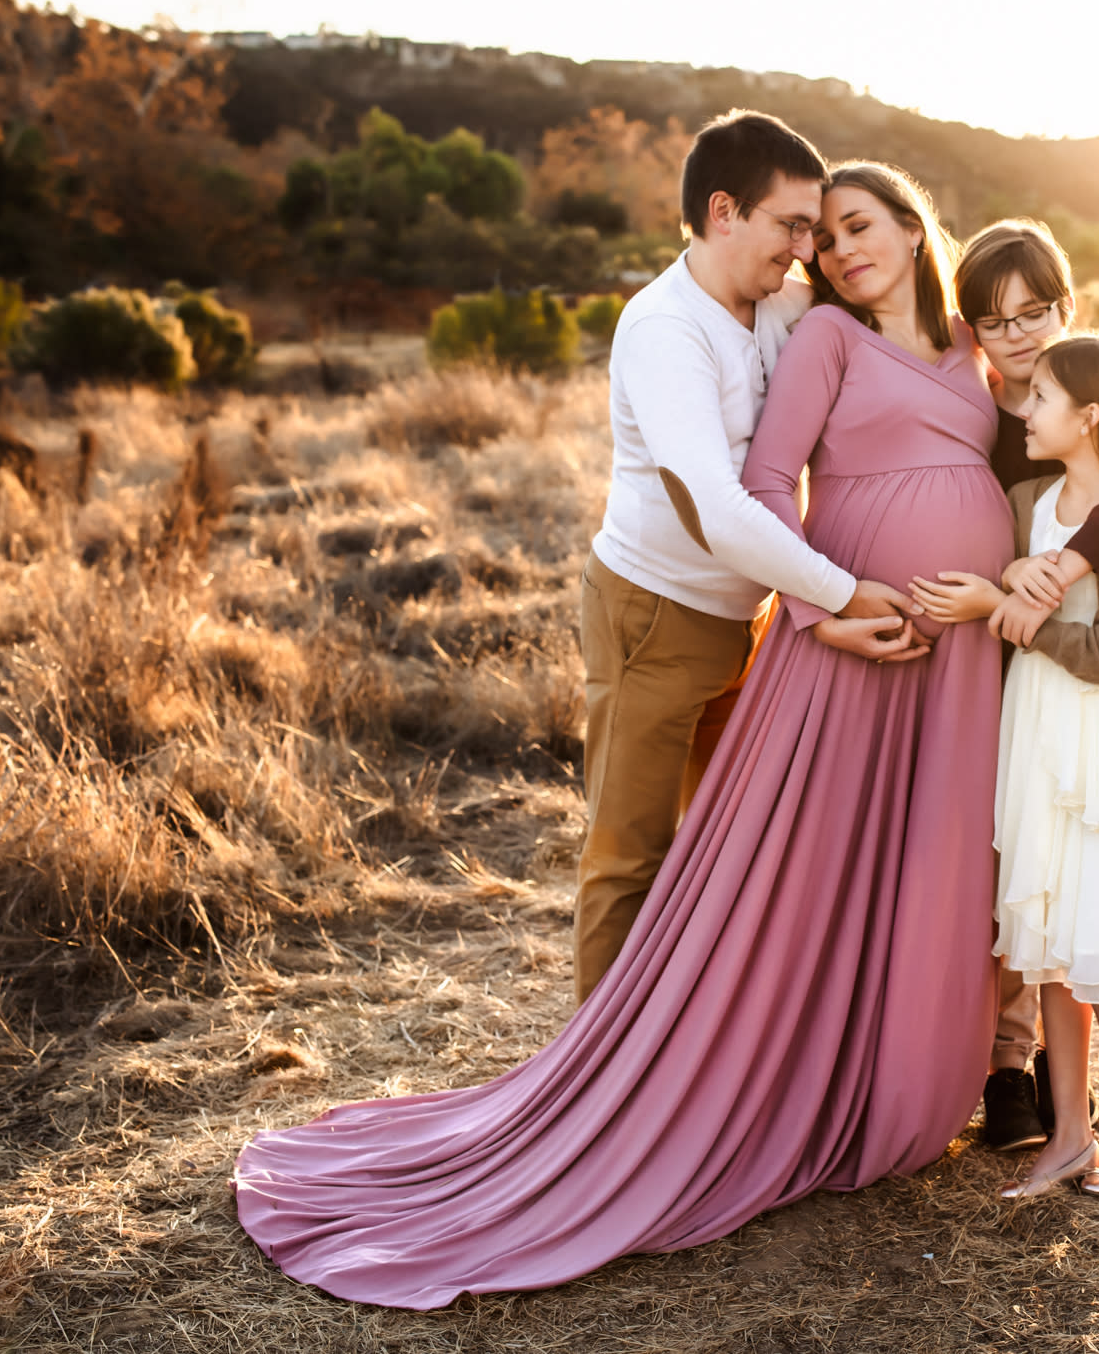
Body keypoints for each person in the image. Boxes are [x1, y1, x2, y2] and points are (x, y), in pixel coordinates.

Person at [232, 158, 1009, 1309]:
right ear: (726, 216)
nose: (831, 250)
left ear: (912, 224)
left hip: (955, 653)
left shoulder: (944, 335)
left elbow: (1060, 434)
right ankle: (625, 1085)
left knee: (921, 862)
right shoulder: (775, 331)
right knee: (703, 857)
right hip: (788, 631)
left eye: (851, 228)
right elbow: (749, 481)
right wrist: (824, 608)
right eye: (816, 231)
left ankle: (915, 1070)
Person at [575, 110, 917, 1006]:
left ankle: (694, 1049)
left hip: (752, 620)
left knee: (733, 843)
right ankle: (597, 1099)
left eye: (815, 230)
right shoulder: (664, 330)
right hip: (655, 615)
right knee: (630, 853)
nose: (807, 249)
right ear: (723, 211)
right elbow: (715, 509)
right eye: (791, 226)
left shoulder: (778, 303)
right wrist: (840, 594)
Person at [912, 331, 1099, 1198]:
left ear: (1090, 415)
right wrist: (1000, 581)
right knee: (1052, 956)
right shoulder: (1030, 497)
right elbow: (997, 571)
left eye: (1040, 397)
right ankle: (1071, 1132)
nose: (1022, 409)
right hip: (1035, 740)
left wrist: (1004, 604)